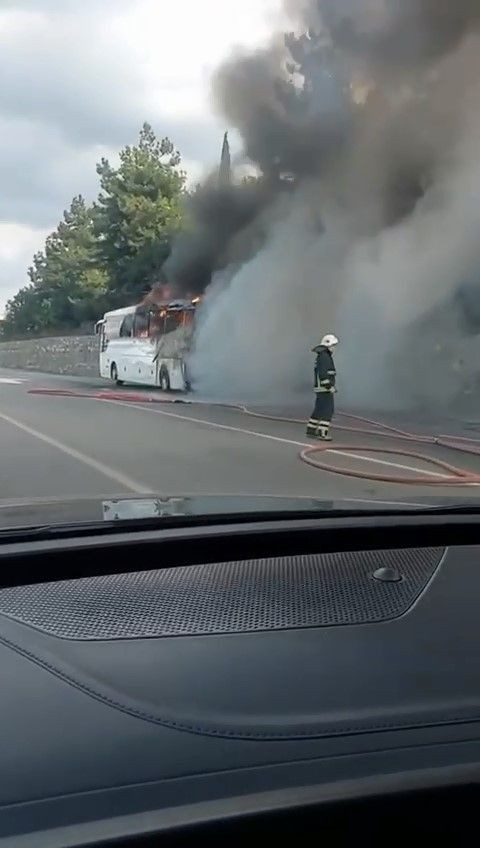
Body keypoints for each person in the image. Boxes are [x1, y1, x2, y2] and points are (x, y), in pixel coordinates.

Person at [306, 334, 339, 441]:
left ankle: (311, 430)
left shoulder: (322, 356)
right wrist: (330, 387)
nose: (334, 348)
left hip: (320, 389)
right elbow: (323, 375)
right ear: (328, 346)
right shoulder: (325, 357)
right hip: (324, 389)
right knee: (328, 410)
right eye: (333, 345)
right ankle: (322, 433)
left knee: (319, 409)